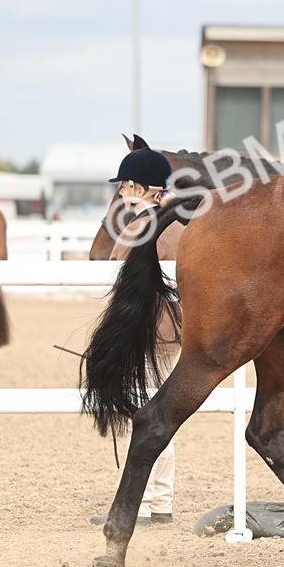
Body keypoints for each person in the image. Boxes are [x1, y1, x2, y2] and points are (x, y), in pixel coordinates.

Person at [89, 148, 177, 526]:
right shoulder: (178, 224)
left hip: (143, 330)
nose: (122, 191)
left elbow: (116, 280)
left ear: (141, 188)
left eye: (125, 184)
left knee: (140, 415)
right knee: (163, 414)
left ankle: (141, 504)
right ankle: (161, 501)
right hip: (174, 331)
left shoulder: (136, 226)